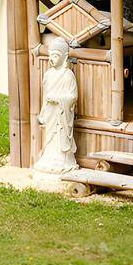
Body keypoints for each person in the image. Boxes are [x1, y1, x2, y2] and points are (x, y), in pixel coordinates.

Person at [35, 36, 78, 173]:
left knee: (60, 136)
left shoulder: (68, 75)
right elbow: (45, 96)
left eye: (56, 55)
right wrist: (43, 111)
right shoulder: (48, 75)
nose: (52, 58)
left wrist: (58, 99)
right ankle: (49, 157)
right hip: (51, 112)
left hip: (61, 113)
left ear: (65, 57)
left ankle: (63, 160)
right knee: (50, 136)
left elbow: (73, 96)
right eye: (50, 55)